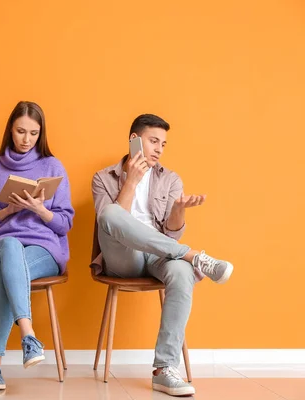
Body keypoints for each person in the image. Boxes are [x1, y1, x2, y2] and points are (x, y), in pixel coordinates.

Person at [91, 113, 234, 397]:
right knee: (109, 212)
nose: (159, 149)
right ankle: (194, 256)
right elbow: (110, 224)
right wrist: (131, 181)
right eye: (153, 141)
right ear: (134, 140)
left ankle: (164, 370)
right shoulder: (103, 178)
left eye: (164, 144)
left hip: (158, 254)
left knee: (181, 271)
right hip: (123, 257)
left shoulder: (170, 179)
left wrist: (179, 211)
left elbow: (169, 236)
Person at [0, 101, 74, 391]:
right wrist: (6, 212)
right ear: (10, 130)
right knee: (10, 246)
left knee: (7, 272)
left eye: (34, 133)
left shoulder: (52, 166)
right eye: (20, 131)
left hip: (43, 250)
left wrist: (41, 210)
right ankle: (27, 333)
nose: (26, 139)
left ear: (41, 134)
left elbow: (64, 225)